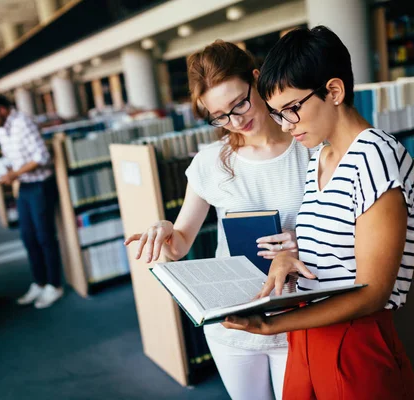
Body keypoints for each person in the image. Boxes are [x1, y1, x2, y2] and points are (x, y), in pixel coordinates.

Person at [222, 26, 414, 400]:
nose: (285, 125)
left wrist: (274, 325)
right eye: (277, 114)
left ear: (333, 91)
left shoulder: (376, 156)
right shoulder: (320, 156)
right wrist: (290, 256)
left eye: (291, 109)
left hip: (355, 341)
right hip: (308, 335)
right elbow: (338, 249)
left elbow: (372, 293)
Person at [124, 40, 315, 400]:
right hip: (234, 322)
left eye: (239, 103)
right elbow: (179, 244)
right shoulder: (211, 162)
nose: (236, 120)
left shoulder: (309, 146)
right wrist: (166, 232)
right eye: (220, 115)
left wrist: (304, 238)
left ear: (256, 79)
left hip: (299, 316)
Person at [0, 92, 64, 309]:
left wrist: (14, 174)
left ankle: (54, 285)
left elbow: (41, 157)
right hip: (24, 185)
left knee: (45, 237)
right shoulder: (0, 130)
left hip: (41, 185)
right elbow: (13, 159)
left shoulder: (23, 123)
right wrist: (1, 172)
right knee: (27, 237)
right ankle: (40, 282)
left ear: (3, 109)